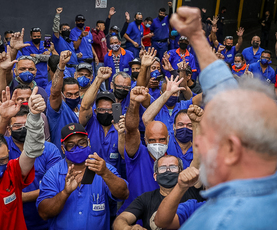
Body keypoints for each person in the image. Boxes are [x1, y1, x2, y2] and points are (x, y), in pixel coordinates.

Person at [170, 6, 277, 229]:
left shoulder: (217, 223)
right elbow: (226, 94)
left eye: (207, 135)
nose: (196, 140)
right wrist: (197, 36)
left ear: (231, 149)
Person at [0, 86, 61, 230]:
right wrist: (3, 118)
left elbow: (56, 185)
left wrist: (18, 197)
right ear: (8, 130)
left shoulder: (49, 149)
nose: (23, 129)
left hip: (43, 221)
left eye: (26, 125)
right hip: (9, 220)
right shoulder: (2, 147)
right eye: (17, 126)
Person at [0, 84, 46, 229]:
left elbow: (32, 150)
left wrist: (34, 117)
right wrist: (3, 119)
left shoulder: (13, 170)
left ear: (9, 155)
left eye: (2, 160)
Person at [36, 123, 129, 230]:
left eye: (82, 143)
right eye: (71, 145)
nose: (77, 148)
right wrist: (65, 193)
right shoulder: (53, 174)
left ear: (88, 142)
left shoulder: (102, 167)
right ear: (63, 148)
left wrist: (105, 174)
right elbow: (43, 213)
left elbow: (124, 194)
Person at [118, 86, 173, 215]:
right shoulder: (137, 155)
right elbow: (131, 130)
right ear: (145, 140)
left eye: (162, 139)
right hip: (135, 220)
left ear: (168, 139)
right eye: (152, 140)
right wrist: (133, 104)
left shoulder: (172, 158)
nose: (157, 144)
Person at [0, 45, 48, 117]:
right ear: (15, 71)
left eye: (31, 69)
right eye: (23, 69)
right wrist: (1, 69)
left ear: (36, 71)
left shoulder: (41, 92)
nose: (27, 72)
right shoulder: (10, 85)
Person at [47, 51, 80, 153]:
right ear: (62, 95)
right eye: (69, 94)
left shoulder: (84, 108)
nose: (73, 97)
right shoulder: (58, 110)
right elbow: (55, 93)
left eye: (76, 94)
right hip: (62, 158)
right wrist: (61, 66)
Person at [52, 7, 79, 77]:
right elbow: (55, 29)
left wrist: (76, 55)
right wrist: (57, 15)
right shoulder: (58, 39)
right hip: (65, 67)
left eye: (69, 29)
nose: (67, 31)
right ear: (60, 31)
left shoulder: (70, 41)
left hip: (75, 68)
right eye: (65, 29)